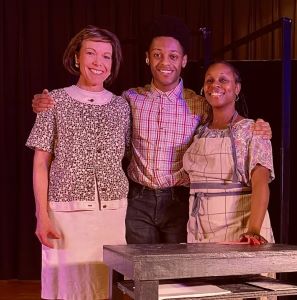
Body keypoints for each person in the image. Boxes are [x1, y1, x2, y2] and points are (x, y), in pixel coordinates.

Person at [31, 16, 271, 245]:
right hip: (138, 201)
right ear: (147, 58)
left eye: (173, 56)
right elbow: (98, 112)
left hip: (179, 201)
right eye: (157, 55)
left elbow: (225, 120)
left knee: (177, 277)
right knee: (139, 274)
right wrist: (44, 102)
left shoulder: (200, 104)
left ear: (184, 61)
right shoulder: (129, 100)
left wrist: (258, 127)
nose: (165, 62)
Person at [26, 25, 130, 300]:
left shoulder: (121, 106)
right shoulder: (54, 101)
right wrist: (42, 216)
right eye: (91, 53)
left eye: (106, 56)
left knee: (102, 286)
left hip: (111, 211)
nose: (98, 62)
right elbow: (40, 163)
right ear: (76, 58)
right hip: (65, 212)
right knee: (65, 287)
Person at [183, 61, 274, 245]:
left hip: (240, 229)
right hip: (201, 229)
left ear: (237, 88)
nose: (215, 85)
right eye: (210, 80)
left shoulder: (252, 130)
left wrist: (253, 231)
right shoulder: (200, 132)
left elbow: (260, 184)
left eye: (223, 80)